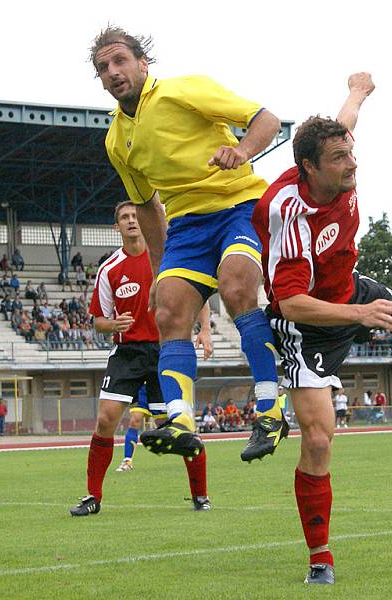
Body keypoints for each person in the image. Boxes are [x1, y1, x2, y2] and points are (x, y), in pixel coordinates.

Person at [89, 27, 286, 465]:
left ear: (143, 63)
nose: (113, 71)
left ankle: (271, 410)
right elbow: (145, 206)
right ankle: (179, 419)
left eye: (120, 60)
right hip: (186, 226)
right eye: (103, 68)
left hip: (239, 204)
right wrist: (160, 273)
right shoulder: (116, 141)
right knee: (169, 308)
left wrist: (243, 151)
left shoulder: (184, 90)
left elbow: (267, 120)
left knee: (236, 288)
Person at [251, 73, 392, 584]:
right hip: (307, 324)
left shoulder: (336, 157)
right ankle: (320, 558)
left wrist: (358, 92)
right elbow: (293, 302)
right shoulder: (289, 213)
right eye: (340, 160)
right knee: (319, 442)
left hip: (349, 289)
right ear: (309, 168)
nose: (352, 165)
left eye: (352, 155)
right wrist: (363, 316)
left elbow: (343, 125)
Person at [70, 202, 213, 517]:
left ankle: (200, 495)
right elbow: (98, 322)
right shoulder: (109, 269)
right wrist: (114, 324)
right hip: (127, 352)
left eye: (135, 216)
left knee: (180, 426)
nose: (131, 221)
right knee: (106, 419)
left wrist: (204, 330)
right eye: (124, 217)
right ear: (116, 226)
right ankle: (93, 497)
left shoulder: (168, 258)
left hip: (167, 349)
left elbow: (198, 292)